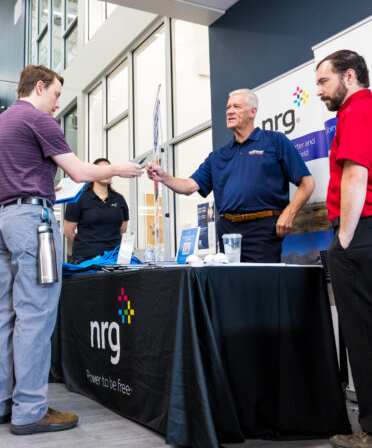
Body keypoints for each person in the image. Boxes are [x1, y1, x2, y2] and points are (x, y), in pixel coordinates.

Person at [0, 65, 143, 435]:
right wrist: (119, 169)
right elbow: (80, 173)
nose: (57, 104)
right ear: (40, 87)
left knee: (5, 316)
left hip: (4, 222)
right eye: (57, 95)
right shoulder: (38, 119)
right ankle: (30, 410)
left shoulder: (3, 122)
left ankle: (3, 402)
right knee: (35, 314)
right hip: (33, 222)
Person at [146, 89, 314, 262]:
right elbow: (189, 186)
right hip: (227, 232)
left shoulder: (274, 141)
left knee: (262, 286)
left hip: (263, 231)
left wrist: (289, 213)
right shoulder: (218, 156)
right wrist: (164, 177)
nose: (230, 111)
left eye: (236, 107)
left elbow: (307, 182)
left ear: (253, 112)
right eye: (228, 107)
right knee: (230, 285)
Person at [316, 50, 372, 448]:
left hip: (361, 233)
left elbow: (355, 173)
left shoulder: (357, 110)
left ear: (348, 76)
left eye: (323, 81)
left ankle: (369, 431)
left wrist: (345, 240)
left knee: (363, 337)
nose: (318, 90)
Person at [64, 158, 129, 264]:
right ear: (93, 174)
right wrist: (87, 246)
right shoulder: (79, 198)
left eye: (109, 170)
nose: (106, 173)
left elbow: (123, 231)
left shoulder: (119, 199)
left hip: (113, 259)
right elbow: (68, 231)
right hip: (85, 259)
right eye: (102, 170)